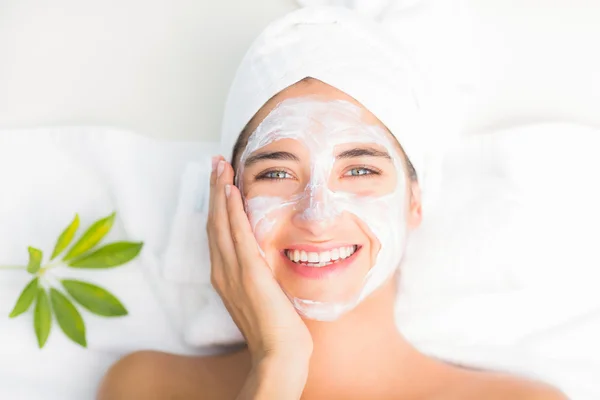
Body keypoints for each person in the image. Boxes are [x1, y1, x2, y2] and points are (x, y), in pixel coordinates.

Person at [97, 7, 567, 400]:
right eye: (277, 173)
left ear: (415, 201)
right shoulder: (149, 387)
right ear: (227, 201)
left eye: (360, 169)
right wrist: (276, 368)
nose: (317, 215)